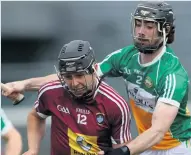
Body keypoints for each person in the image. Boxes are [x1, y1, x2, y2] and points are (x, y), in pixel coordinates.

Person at [2, 1, 191, 155]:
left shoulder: (172, 75)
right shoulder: (125, 57)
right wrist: (23, 84)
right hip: (145, 145)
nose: (140, 31)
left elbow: (158, 131)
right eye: (138, 23)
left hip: (177, 146)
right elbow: (81, 76)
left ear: (164, 30)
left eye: (149, 26)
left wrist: (122, 151)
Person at [22, 40, 131, 155]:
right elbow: (35, 116)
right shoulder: (50, 92)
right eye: (68, 77)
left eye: (79, 75)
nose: (74, 83)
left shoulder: (115, 105)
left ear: (93, 70)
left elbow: (122, 149)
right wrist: (33, 149)